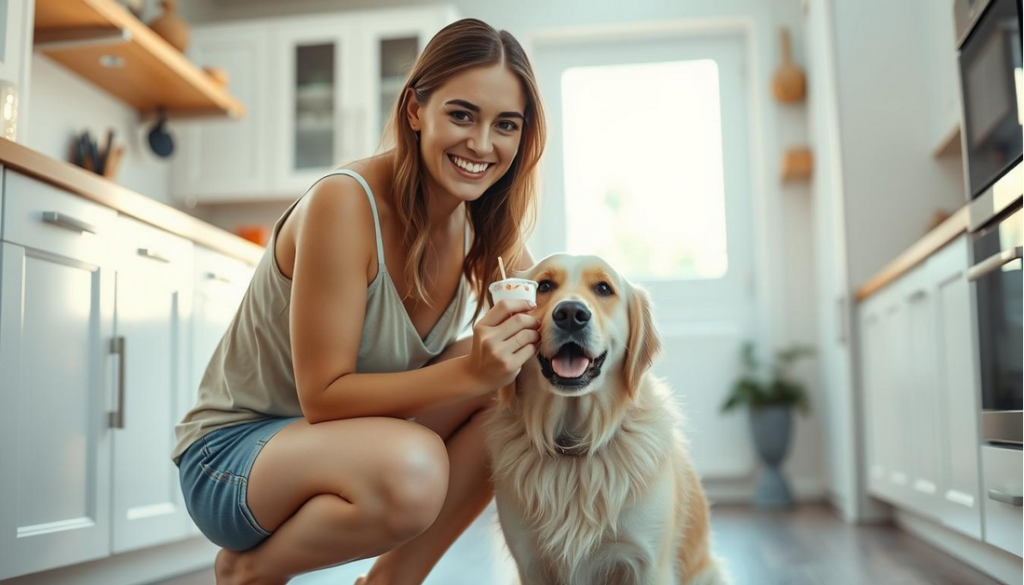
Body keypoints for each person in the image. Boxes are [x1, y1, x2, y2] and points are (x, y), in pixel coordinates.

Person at [170, 18, 547, 585]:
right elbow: (323, 398)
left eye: (506, 125)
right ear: (416, 111)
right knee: (416, 466)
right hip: (231, 460)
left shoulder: (480, 224)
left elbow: (546, 320)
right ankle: (251, 572)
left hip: (337, 447)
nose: (482, 144)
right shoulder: (345, 203)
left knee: (512, 388)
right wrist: (471, 370)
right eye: (462, 114)